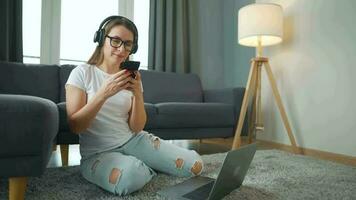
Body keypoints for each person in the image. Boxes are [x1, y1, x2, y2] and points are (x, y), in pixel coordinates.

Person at [65, 15, 203, 196]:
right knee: (129, 178)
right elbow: (76, 126)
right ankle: (141, 166)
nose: (122, 49)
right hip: (98, 153)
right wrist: (103, 93)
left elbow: (137, 127)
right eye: (115, 41)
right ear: (101, 39)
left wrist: (138, 94)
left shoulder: (131, 77)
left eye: (128, 44)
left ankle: (139, 162)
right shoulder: (82, 73)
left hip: (134, 141)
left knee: (195, 166)